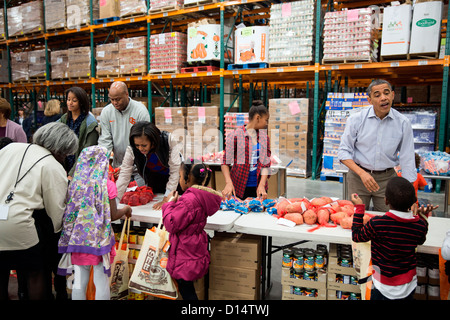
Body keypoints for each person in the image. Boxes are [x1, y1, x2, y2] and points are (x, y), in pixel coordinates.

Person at [0, 122, 78, 300]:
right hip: (19, 224)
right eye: (66, 154)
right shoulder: (52, 165)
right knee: (36, 272)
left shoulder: (11, 148)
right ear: (61, 150)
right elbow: (57, 211)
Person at [57, 146, 132, 300]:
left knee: (78, 282)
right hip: (98, 241)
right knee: (101, 281)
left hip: (77, 241)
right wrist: (126, 209)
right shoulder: (107, 185)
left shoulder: (75, 184)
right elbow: (112, 215)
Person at [351, 176, 437, 300]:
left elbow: (357, 236)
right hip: (408, 286)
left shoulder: (377, 224)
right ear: (414, 201)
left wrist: (359, 208)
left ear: (386, 200)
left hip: (381, 286)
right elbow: (421, 239)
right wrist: (423, 217)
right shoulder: (419, 225)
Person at [338, 79, 416, 212]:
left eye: (386, 93)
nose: (383, 98)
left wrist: (412, 197)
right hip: (358, 178)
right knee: (355, 217)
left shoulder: (403, 123)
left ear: (392, 95)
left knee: (388, 219)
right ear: (369, 100)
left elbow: (407, 158)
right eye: (377, 95)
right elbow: (343, 152)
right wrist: (362, 173)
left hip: (387, 181)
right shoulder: (356, 120)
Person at [162, 161, 222, 300]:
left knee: (186, 290)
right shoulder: (200, 197)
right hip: (193, 248)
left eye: (180, 176)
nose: (179, 179)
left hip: (184, 251)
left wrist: (169, 204)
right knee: (186, 288)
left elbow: (171, 224)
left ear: (187, 179)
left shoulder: (188, 200)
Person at [116, 121, 183, 210]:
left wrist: (167, 197)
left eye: (144, 145)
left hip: (176, 181)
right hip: (154, 180)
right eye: (137, 145)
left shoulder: (168, 140)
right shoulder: (132, 149)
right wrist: (115, 200)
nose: (140, 148)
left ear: (153, 141)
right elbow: (124, 174)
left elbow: (175, 170)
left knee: (172, 208)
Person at [221, 100, 271, 200]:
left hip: (258, 189)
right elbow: (225, 163)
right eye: (266, 120)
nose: (267, 123)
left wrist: (261, 184)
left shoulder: (264, 137)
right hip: (238, 188)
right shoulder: (235, 135)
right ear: (258, 118)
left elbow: (266, 164)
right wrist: (228, 183)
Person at [98, 81, 150, 177]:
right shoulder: (106, 112)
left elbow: (144, 144)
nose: (114, 103)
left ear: (127, 94)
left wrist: (128, 167)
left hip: (138, 168)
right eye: (112, 99)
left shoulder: (140, 111)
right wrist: (105, 164)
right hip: (117, 168)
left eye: (118, 99)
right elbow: (105, 140)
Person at [59, 86, 99, 177]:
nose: (70, 103)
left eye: (74, 100)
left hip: (82, 168)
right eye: (68, 99)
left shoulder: (90, 123)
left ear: (81, 102)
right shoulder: (64, 119)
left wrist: (72, 173)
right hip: (65, 165)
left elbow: (87, 151)